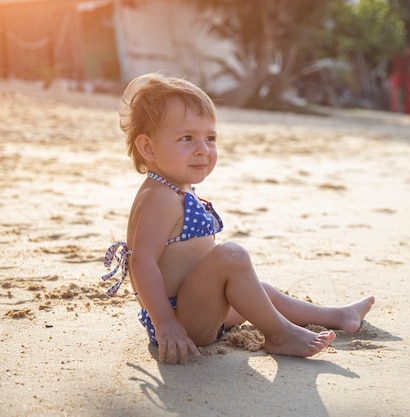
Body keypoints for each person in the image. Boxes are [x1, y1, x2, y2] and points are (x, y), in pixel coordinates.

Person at [101, 73, 375, 364]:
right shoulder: (159, 197)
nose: (202, 150)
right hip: (180, 320)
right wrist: (166, 324)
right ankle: (279, 333)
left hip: (198, 309)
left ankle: (336, 315)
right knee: (232, 255)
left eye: (210, 138)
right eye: (186, 138)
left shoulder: (175, 187)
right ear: (148, 148)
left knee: (260, 293)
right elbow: (141, 262)